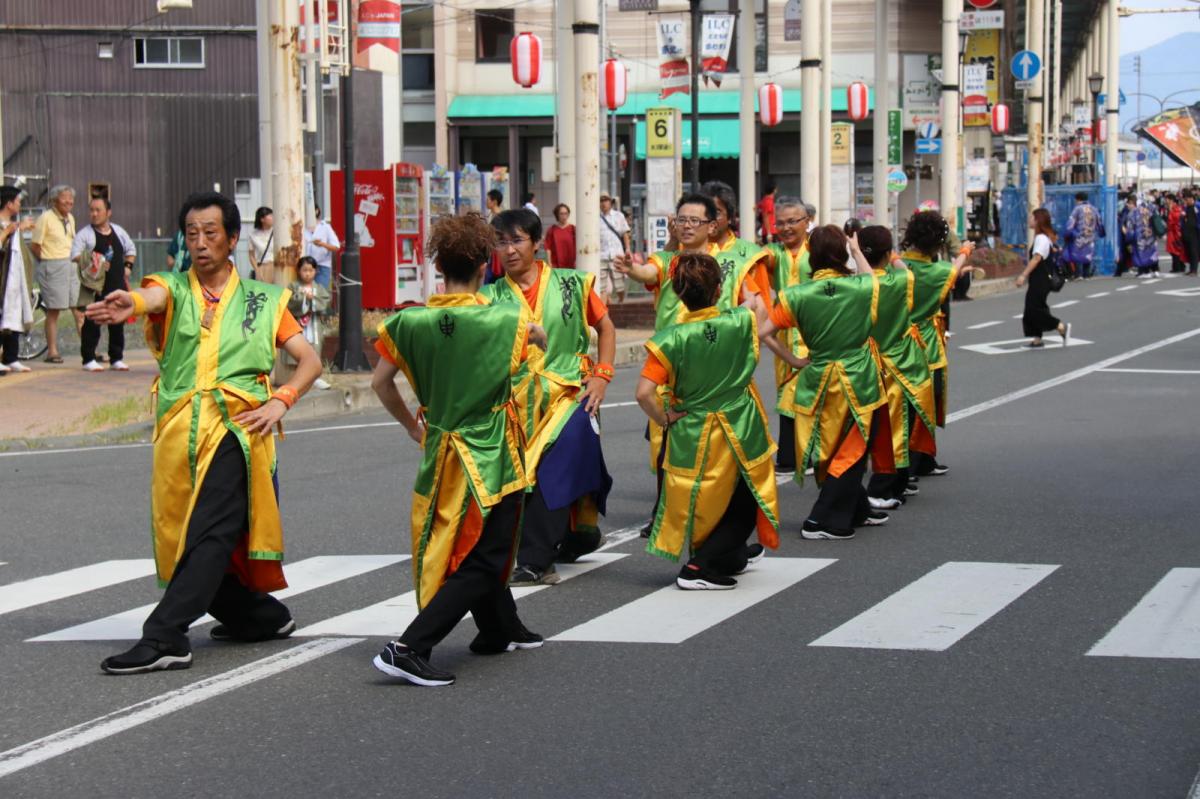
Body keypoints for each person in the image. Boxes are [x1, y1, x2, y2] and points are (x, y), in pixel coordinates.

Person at [87, 191, 322, 674]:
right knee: (189, 537)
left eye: (210, 233)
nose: (200, 242)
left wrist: (282, 400)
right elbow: (150, 296)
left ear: (232, 238)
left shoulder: (262, 299)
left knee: (212, 531)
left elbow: (310, 360)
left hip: (238, 429)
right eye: (191, 233)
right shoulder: (174, 288)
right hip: (181, 433)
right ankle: (257, 614)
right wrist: (128, 302)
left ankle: (166, 635)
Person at [370, 212, 545, 687]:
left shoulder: (408, 322)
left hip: (441, 446)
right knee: (487, 554)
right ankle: (409, 646)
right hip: (490, 451)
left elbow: (381, 383)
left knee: (469, 543)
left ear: (437, 264)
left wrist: (412, 424)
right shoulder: (506, 316)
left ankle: (497, 627)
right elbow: (540, 344)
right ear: (486, 263)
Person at [615, 192, 770, 535]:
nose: (685, 226)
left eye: (694, 220)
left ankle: (722, 526)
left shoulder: (732, 263)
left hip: (716, 374)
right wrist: (631, 269)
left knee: (724, 454)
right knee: (665, 448)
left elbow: (755, 305)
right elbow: (645, 271)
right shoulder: (668, 261)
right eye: (681, 219)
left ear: (712, 226)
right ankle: (667, 513)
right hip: (672, 372)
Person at [480, 209, 615, 586]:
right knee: (521, 479)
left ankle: (536, 560)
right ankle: (576, 537)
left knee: (555, 468)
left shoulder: (573, 283)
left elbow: (604, 326)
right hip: (516, 400)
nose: (508, 250)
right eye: (501, 242)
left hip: (571, 392)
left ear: (537, 243)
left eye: (517, 240)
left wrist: (602, 375)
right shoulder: (488, 297)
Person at [635, 252, 784, 589]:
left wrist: (665, 417)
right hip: (738, 426)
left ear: (677, 293)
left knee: (704, 500)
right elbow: (757, 308)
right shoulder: (739, 321)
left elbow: (644, 393)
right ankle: (699, 567)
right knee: (746, 498)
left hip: (693, 429)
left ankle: (721, 557)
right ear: (719, 289)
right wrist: (748, 296)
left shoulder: (669, 339)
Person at [757, 225, 889, 540]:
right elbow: (874, 278)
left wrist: (793, 360)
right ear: (841, 254)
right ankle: (823, 519)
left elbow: (764, 334)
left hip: (818, 376)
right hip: (858, 377)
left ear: (811, 256)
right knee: (853, 449)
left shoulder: (795, 295)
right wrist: (856, 251)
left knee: (832, 446)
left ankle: (858, 509)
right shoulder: (859, 286)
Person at [858, 226, 937, 509]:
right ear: (888, 252)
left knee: (883, 433)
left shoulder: (861, 286)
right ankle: (899, 485)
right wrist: (890, 255)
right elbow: (902, 266)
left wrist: (856, 253)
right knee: (899, 427)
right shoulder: (902, 280)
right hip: (905, 362)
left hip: (875, 366)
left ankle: (883, 488)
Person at [899, 210, 974, 478]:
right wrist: (965, 249)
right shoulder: (937, 271)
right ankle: (916, 459)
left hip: (895, 342)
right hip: (927, 343)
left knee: (903, 402)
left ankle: (918, 457)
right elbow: (955, 270)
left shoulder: (896, 265)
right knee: (925, 402)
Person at [762, 197, 812, 478]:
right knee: (786, 393)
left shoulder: (817, 252)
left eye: (793, 221)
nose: (786, 227)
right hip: (783, 334)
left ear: (807, 222)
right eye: (780, 222)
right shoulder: (773, 254)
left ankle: (809, 451)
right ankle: (791, 455)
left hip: (815, 333)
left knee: (815, 394)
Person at [70, 196, 137, 372]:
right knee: (92, 321)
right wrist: (95, 258)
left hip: (117, 284)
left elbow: (131, 250)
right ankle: (88, 358)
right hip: (94, 286)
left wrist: (128, 267)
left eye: (98, 210)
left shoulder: (119, 231)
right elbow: (75, 255)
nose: (93, 213)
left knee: (117, 322)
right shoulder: (85, 234)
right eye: (91, 210)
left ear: (108, 212)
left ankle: (116, 358)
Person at [29, 184, 77, 364]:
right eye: (65, 198)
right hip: (52, 265)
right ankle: (52, 352)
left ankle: (89, 351)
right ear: (55, 200)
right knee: (54, 310)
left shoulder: (71, 218)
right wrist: (48, 262)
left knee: (79, 309)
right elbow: (35, 245)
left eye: (71, 199)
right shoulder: (45, 218)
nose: (69, 201)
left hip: (70, 265)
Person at [1016, 208, 1072, 349]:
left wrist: (1023, 275)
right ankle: (1037, 339)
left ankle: (1059, 326)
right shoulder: (1044, 237)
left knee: (1034, 308)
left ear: (1037, 220)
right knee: (1035, 307)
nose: (1029, 220)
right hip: (1040, 278)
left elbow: (1036, 258)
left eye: (1031, 218)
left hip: (1041, 278)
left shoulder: (1041, 238)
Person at [0, 185, 36, 374]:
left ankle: (11, 357)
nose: (20, 204)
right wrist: (10, 231)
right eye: (17, 201)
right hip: (2, 279)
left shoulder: (14, 225)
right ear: (8, 203)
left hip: (14, 280)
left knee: (14, 314)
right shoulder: (6, 225)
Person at [287, 255, 332, 390]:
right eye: (304, 270)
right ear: (298, 271)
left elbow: (324, 302)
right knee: (298, 350)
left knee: (314, 349)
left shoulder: (318, 287)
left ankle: (315, 379)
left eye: (310, 270)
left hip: (313, 324)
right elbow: (289, 302)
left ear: (315, 271)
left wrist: (313, 300)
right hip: (298, 324)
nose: (307, 274)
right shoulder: (293, 286)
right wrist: (303, 298)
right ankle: (298, 380)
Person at [598, 192, 631, 304]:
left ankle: (621, 302)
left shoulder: (619, 216)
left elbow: (625, 233)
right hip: (601, 255)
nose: (603, 203)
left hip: (616, 254)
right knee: (601, 286)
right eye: (601, 201)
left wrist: (627, 249)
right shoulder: (595, 218)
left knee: (619, 285)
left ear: (610, 202)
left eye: (606, 200)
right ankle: (604, 310)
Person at [304, 205, 340, 290]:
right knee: (305, 293)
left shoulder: (325, 227)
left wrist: (322, 244)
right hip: (304, 265)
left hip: (321, 265)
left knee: (319, 293)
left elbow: (336, 246)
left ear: (317, 211)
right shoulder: (301, 225)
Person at [544, 203, 576, 269]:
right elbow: (548, 248)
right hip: (556, 265)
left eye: (566, 213)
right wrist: (549, 263)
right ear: (557, 215)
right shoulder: (552, 230)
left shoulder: (573, 229)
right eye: (561, 214)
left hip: (571, 265)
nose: (564, 216)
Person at [249, 206, 275, 283]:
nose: (273, 218)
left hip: (277, 266)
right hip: (262, 267)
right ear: (262, 219)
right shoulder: (253, 235)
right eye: (270, 216)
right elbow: (251, 255)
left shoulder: (277, 231)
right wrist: (257, 270)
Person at [1181, 192, 1200, 277]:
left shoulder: (1197, 206)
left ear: (1191, 198)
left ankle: (1194, 270)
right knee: (1188, 251)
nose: (1185, 201)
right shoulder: (1186, 208)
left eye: (1186, 199)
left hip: (1195, 232)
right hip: (1187, 232)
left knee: (1194, 251)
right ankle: (1191, 269)